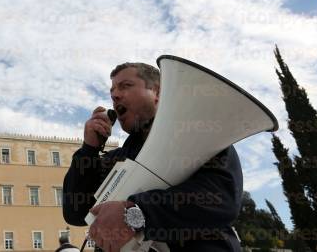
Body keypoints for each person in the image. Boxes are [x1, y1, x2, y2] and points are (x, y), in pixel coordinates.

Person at [63, 62, 243, 252]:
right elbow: (75, 213)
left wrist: (136, 212)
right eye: (112, 91)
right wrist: (89, 149)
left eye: (125, 86)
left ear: (157, 93)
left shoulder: (199, 136)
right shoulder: (116, 159)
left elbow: (222, 199)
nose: (115, 96)